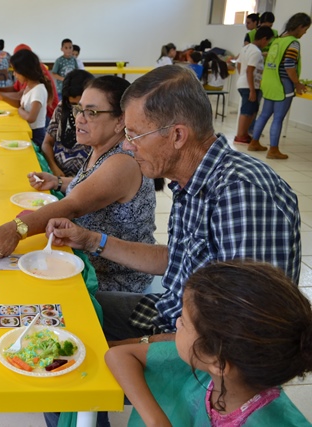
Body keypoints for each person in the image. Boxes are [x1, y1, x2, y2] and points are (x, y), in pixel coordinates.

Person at [46, 65, 301, 344]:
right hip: (168, 315)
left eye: (134, 135)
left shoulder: (242, 194)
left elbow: (245, 331)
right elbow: (176, 260)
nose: (128, 146)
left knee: (73, 350)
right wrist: (90, 239)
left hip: (205, 352)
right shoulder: (189, 181)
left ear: (178, 135)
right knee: (60, 309)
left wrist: (130, 349)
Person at [0, 76, 157, 293]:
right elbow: (93, 186)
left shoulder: (123, 161)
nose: (80, 119)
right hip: (86, 262)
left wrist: (17, 229)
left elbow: (74, 205)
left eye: (92, 112)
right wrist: (59, 181)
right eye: (79, 109)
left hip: (113, 280)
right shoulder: (101, 148)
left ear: (120, 121)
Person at [106, 260, 312, 427]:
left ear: (219, 363)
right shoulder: (217, 365)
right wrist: (157, 421)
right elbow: (118, 356)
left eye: (184, 322)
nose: (177, 322)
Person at [248, 12, 310, 159]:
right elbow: (289, 66)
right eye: (305, 29)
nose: (305, 33)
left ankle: (254, 142)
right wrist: (297, 83)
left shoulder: (277, 40)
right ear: (300, 27)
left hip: (269, 83)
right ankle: (273, 150)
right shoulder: (293, 42)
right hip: (283, 85)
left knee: (264, 115)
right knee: (278, 118)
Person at [0, 43, 59, 125]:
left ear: (23, 67)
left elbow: (29, 115)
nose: (14, 74)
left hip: (47, 116)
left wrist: (0, 94)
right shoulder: (28, 81)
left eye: (15, 70)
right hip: (32, 116)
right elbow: (18, 95)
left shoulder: (37, 86)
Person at [41, 69, 94, 177]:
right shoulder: (63, 107)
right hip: (57, 176)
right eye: (73, 105)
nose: (78, 111)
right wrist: (54, 168)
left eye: (81, 106)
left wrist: (70, 181)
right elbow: (47, 143)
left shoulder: (98, 115)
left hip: (85, 181)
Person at [234, 26, 274, 144]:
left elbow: (239, 65)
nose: (267, 44)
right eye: (267, 41)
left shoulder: (246, 48)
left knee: (250, 110)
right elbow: (249, 71)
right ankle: (240, 135)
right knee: (247, 111)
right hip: (250, 85)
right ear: (264, 39)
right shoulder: (256, 52)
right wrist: (252, 90)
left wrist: (242, 77)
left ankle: (244, 134)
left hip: (244, 83)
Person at [11, 49, 52, 147]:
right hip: (30, 131)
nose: (14, 74)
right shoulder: (28, 86)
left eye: (16, 71)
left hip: (36, 135)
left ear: (24, 70)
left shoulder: (38, 90)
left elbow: (31, 117)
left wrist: (20, 110)